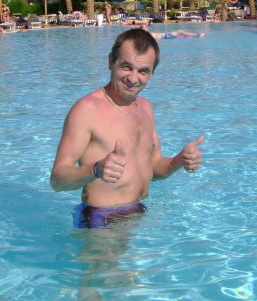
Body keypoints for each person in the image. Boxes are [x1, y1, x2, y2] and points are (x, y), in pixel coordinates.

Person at [50, 28, 205, 228]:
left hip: (140, 210)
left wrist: (179, 160)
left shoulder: (146, 108)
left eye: (143, 71)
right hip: (102, 220)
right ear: (110, 61)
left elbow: (155, 167)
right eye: (126, 67)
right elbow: (57, 181)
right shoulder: (87, 110)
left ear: (152, 73)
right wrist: (95, 169)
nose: (133, 78)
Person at [140, 25, 206, 39]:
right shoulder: (146, 36)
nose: (147, 28)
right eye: (145, 27)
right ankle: (196, 35)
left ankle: (196, 35)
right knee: (180, 31)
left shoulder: (148, 34)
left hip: (165, 35)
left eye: (146, 27)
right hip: (164, 36)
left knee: (180, 32)